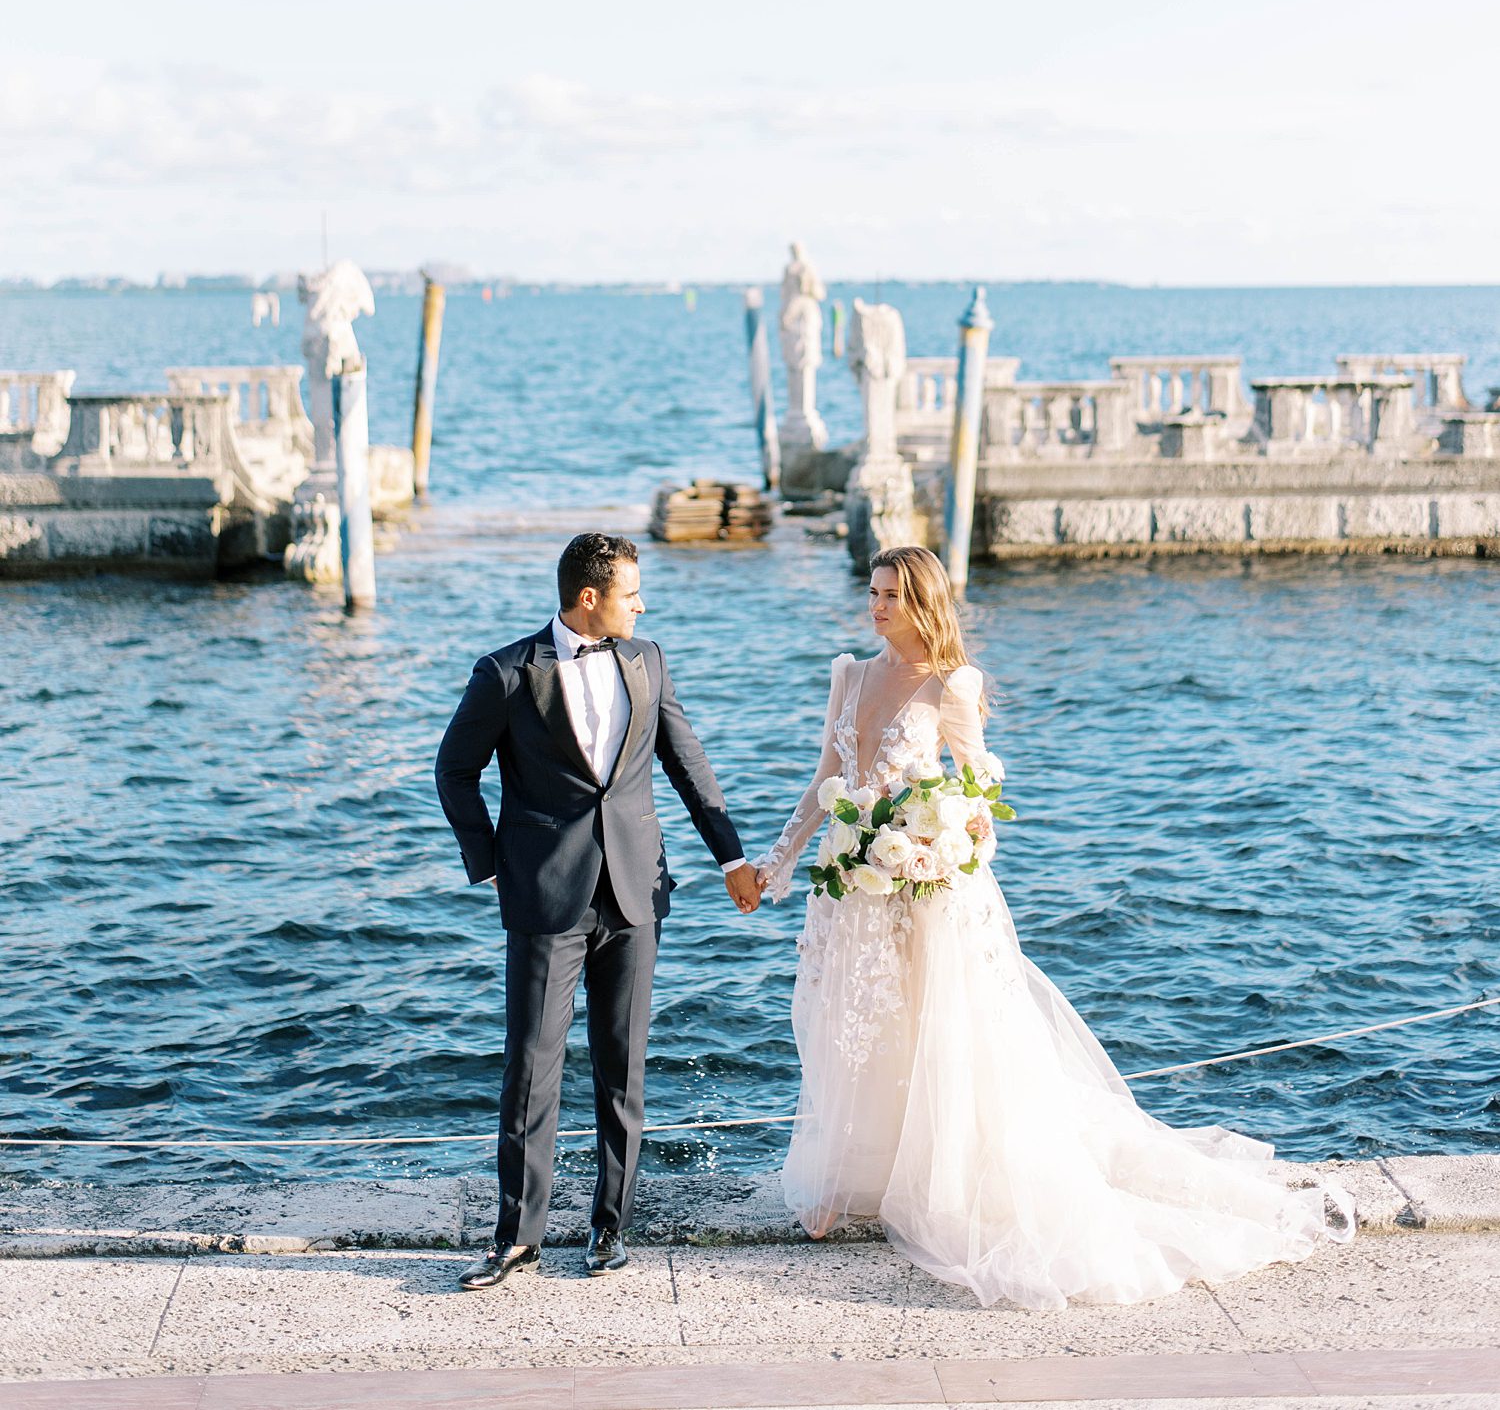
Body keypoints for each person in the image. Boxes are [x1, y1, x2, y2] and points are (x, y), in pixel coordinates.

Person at [756, 544, 1352, 1309]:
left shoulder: (953, 684)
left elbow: (977, 806)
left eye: (890, 596)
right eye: (872, 592)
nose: (874, 606)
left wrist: (941, 844)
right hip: (853, 887)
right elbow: (823, 784)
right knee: (852, 1023)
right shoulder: (849, 673)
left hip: (928, 888)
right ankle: (845, 1176)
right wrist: (774, 866)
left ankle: (940, 1180)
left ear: (923, 603)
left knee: (938, 1033)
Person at [436, 531, 759, 1289]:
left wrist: (732, 856)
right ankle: (516, 1237)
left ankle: (610, 1226)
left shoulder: (646, 659)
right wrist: (492, 864)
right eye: (631, 592)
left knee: (624, 1070)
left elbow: (685, 761)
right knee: (531, 1068)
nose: (641, 605)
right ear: (591, 597)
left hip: (637, 890)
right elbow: (455, 770)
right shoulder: (508, 673)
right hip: (546, 898)